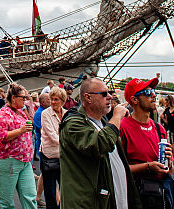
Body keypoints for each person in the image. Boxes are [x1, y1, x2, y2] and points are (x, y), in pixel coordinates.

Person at [59, 76, 140, 209]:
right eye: (104, 94)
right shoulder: (73, 123)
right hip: (88, 203)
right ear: (88, 97)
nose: (109, 97)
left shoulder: (102, 122)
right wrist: (116, 117)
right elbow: (99, 145)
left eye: (109, 93)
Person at [121, 77, 174, 209]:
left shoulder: (159, 128)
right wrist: (148, 167)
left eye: (153, 91)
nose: (154, 95)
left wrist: (168, 163)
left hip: (159, 197)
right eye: (148, 93)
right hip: (137, 197)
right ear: (134, 100)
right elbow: (118, 170)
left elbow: (169, 170)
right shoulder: (123, 128)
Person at [0, 82, 36, 209]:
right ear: (13, 98)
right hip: (8, 160)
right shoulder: (2, 114)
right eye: (23, 97)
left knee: (30, 196)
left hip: (24, 161)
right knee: (5, 202)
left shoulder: (20, 112)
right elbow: (1, 137)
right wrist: (21, 130)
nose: (25, 100)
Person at [40, 86, 66, 209]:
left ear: (63, 101)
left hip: (63, 157)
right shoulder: (45, 114)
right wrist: (69, 144)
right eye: (52, 99)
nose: (53, 102)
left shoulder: (66, 114)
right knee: (50, 192)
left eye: (56, 99)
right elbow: (52, 135)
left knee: (66, 189)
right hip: (49, 156)